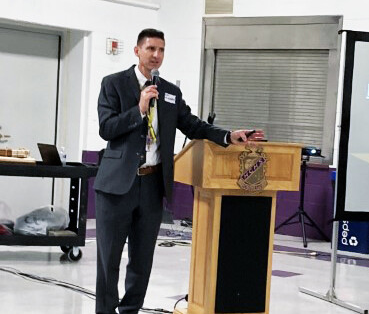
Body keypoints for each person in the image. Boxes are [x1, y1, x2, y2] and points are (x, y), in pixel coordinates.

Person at [94, 28, 264, 314]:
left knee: (142, 260)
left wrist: (227, 136)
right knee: (108, 258)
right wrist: (139, 108)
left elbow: (193, 125)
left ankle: (130, 311)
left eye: (161, 50)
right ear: (137, 51)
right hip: (116, 187)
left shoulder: (170, 93)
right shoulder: (113, 84)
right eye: (150, 49)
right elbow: (106, 128)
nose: (156, 55)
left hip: (151, 186)